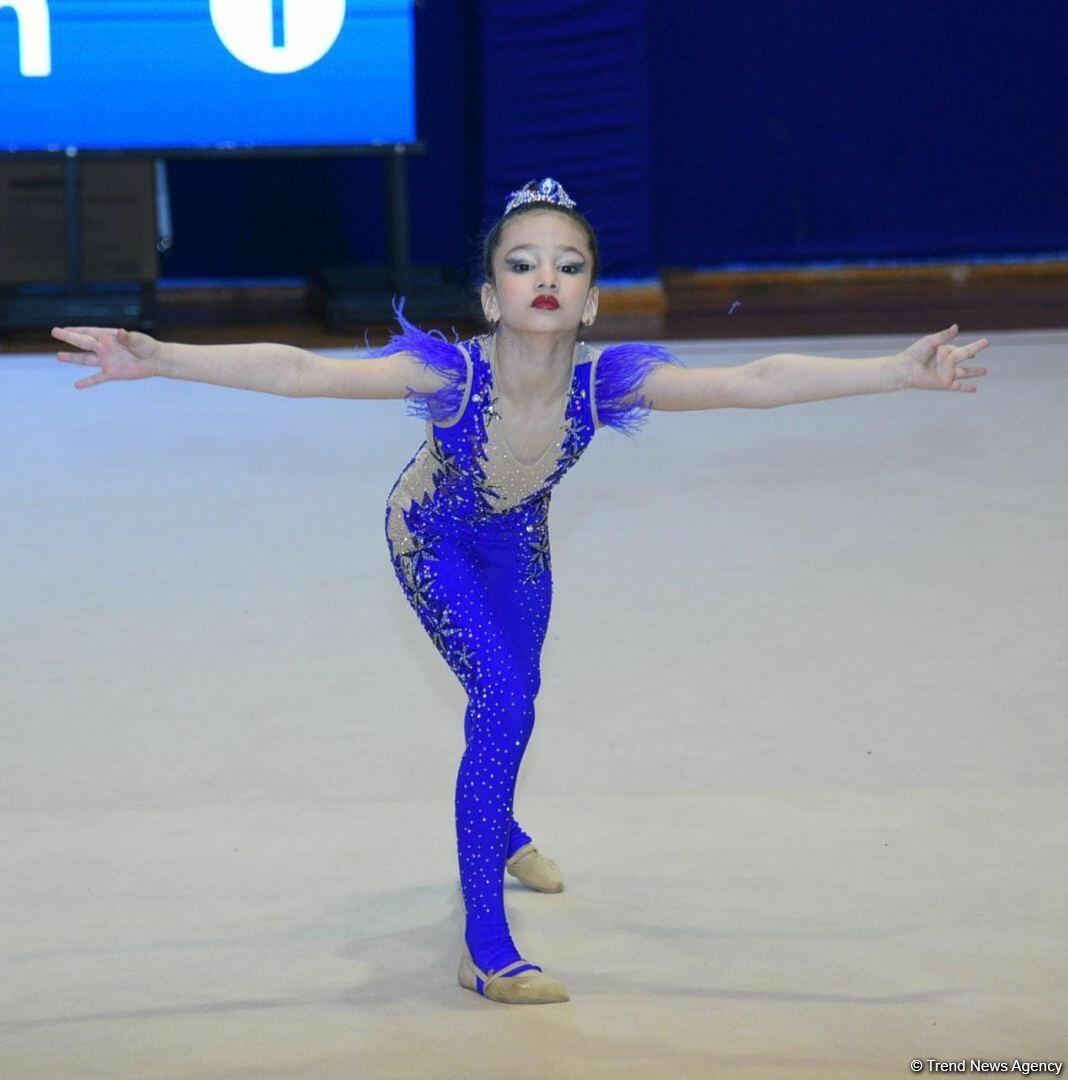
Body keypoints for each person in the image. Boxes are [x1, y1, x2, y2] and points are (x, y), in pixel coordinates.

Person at [51, 177, 990, 1006]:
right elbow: (300, 370)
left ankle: (498, 828)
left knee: (517, 699)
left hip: (518, 538)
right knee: (503, 705)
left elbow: (754, 379)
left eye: (569, 266)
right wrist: (160, 355)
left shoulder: (605, 386)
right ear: (490, 294)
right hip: (432, 537)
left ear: (591, 301)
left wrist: (893, 372)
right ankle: (485, 947)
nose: (547, 277)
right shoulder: (449, 374)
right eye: (523, 262)